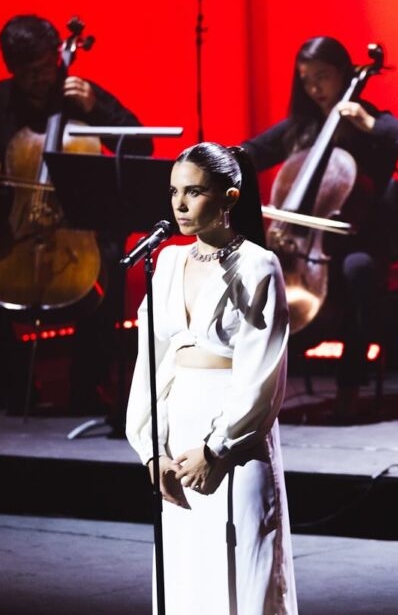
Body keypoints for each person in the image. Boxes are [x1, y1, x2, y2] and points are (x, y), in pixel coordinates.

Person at [0, 14, 153, 416]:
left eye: (48, 67)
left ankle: (88, 385)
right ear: (12, 69)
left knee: (112, 264)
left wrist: (96, 109)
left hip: (80, 224)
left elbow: (142, 143)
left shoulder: (80, 92)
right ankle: (16, 384)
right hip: (11, 226)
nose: (44, 78)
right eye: (31, 73)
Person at [125, 142, 297, 613]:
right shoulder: (166, 262)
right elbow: (150, 360)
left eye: (194, 192)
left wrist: (217, 447)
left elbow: (262, 373)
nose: (179, 204)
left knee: (241, 559)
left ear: (230, 197)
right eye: (174, 191)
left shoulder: (258, 265)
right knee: (185, 567)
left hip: (234, 435)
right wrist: (150, 448)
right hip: (178, 426)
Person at [242, 36, 398, 419]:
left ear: (344, 75)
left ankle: (350, 381)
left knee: (357, 272)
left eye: (322, 77)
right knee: (254, 271)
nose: (314, 88)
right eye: (306, 79)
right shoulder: (301, 127)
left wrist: (372, 124)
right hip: (307, 247)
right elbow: (250, 152)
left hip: (360, 241)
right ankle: (254, 386)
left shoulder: (369, 122)